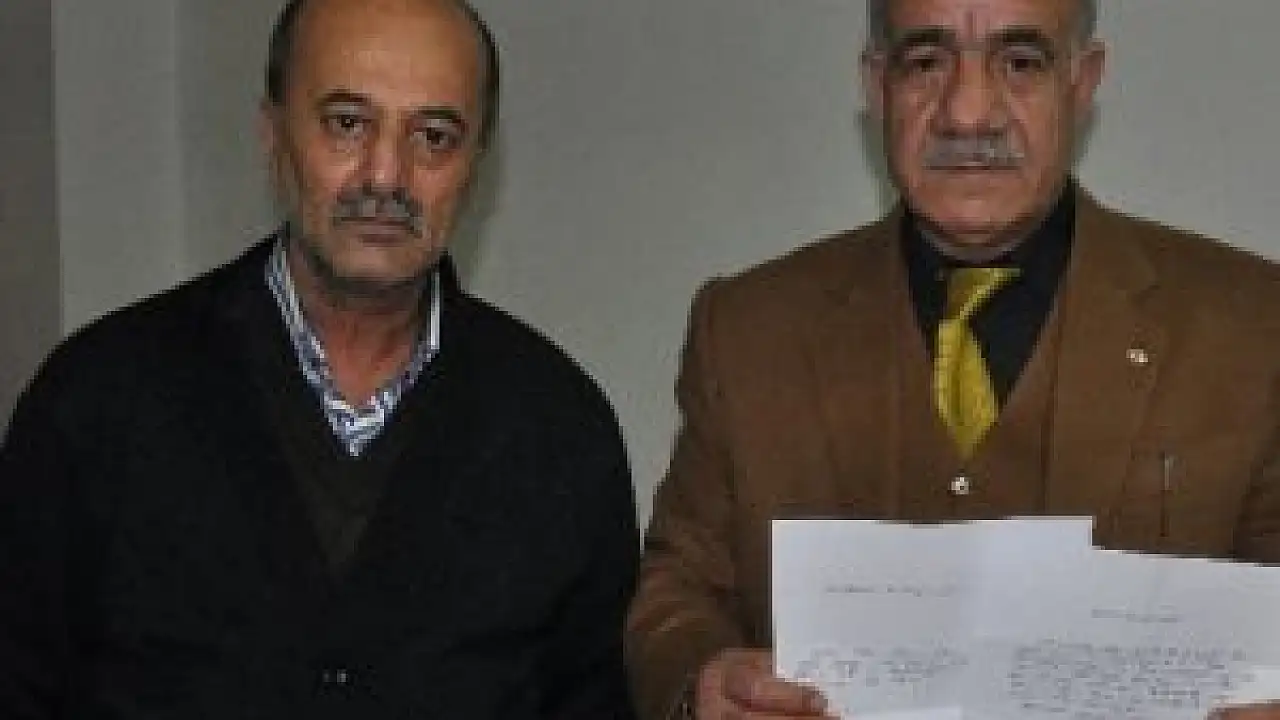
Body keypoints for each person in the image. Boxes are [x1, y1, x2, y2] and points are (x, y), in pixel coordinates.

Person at [624, 0, 1280, 718]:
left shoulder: (1251, 328)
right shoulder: (747, 329)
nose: (968, 115)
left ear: (1083, 82)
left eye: (1020, 63)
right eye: (927, 63)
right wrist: (702, 681)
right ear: (877, 86)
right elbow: (678, 588)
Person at [0, 0, 639, 716]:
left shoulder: (558, 431)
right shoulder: (98, 403)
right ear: (272, 133)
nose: (386, 175)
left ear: (476, 165)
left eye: (433, 136)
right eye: (347, 123)